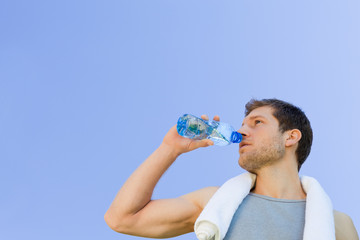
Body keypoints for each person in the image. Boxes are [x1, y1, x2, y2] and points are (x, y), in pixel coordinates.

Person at [104, 98, 359, 240]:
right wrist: (169, 149)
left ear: (290, 137)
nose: (241, 131)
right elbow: (122, 219)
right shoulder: (216, 203)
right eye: (242, 124)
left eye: (257, 122)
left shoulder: (337, 224)